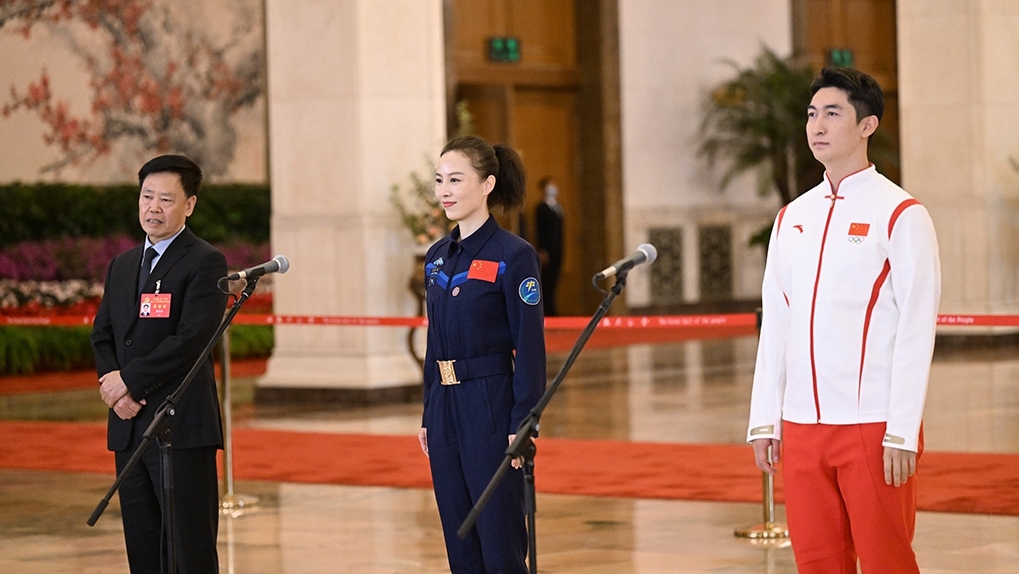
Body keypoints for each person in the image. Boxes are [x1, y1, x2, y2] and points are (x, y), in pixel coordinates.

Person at [746, 67, 941, 573]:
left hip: (872, 424)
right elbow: (777, 324)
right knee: (816, 561)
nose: (817, 125)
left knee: (885, 561)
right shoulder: (792, 217)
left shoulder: (901, 214)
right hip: (802, 426)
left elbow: (917, 329)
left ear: (867, 125)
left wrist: (902, 430)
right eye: (812, 114)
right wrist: (765, 418)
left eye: (832, 113)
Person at [91, 154, 227, 573]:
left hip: (180, 427)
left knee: (188, 549)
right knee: (143, 546)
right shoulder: (122, 265)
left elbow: (190, 342)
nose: (153, 207)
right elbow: (103, 334)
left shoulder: (205, 262)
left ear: (189, 204)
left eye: (166, 199)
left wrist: (129, 383)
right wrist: (114, 390)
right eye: (146, 196)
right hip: (129, 426)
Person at [417, 135, 547, 573]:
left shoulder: (515, 255)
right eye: (439, 180)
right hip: (444, 409)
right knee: (460, 539)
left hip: (490, 406)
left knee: (499, 538)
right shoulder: (437, 257)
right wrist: (428, 412)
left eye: (456, 180)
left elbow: (530, 345)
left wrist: (524, 421)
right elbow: (435, 342)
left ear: (487, 184)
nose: (445, 191)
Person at [534, 177, 564, 316]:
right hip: (547, 250)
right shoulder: (542, 208)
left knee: (555, 279)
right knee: (547, 281)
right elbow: (540, 230)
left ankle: (553, 308)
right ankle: (547, 310)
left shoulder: (557, 207)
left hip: (558, 248)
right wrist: (542, 249)